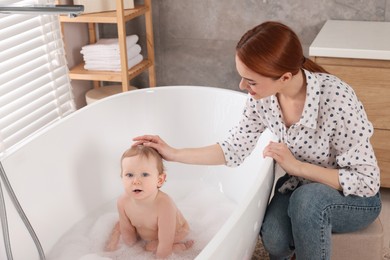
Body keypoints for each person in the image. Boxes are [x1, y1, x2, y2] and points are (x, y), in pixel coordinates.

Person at [133, 21, 382, 260]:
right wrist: (173, 153)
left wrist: (297, 167)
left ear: (284, 77)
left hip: (352, 199)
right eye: (242, 77)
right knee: (273, 237)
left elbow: (367, 181)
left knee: (307, 201)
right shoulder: (262, 99)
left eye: (251, 81)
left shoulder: (337, 99)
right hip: (299, 186)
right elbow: (233, 148)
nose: (243, 86)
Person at [105, 145, 194, 258]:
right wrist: (127, 247)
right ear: (122, 177)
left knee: (150, 247)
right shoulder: (122, 201)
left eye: (145, 174)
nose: (136, 181)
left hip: (175, 233)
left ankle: (182, 246)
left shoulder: (164, 205)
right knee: (120, 226)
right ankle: (110, 249)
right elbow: (128, 235)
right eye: (129, 175)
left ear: (159, 180)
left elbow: (164, 245)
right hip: (145, 232)